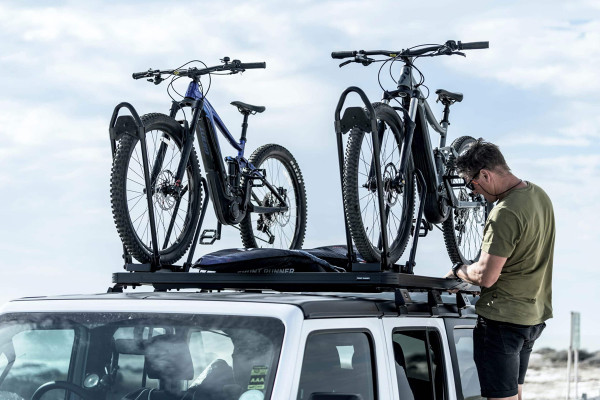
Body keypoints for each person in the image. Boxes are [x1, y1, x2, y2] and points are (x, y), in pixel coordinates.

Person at [444, 138, 555, 400]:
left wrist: (460, 269)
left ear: (485, 174)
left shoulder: (505, 212)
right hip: (532, 317)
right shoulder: (539, 194)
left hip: (503, 320)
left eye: (473, 184)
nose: (474, 192)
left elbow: (485, 276)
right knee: (513, 394)